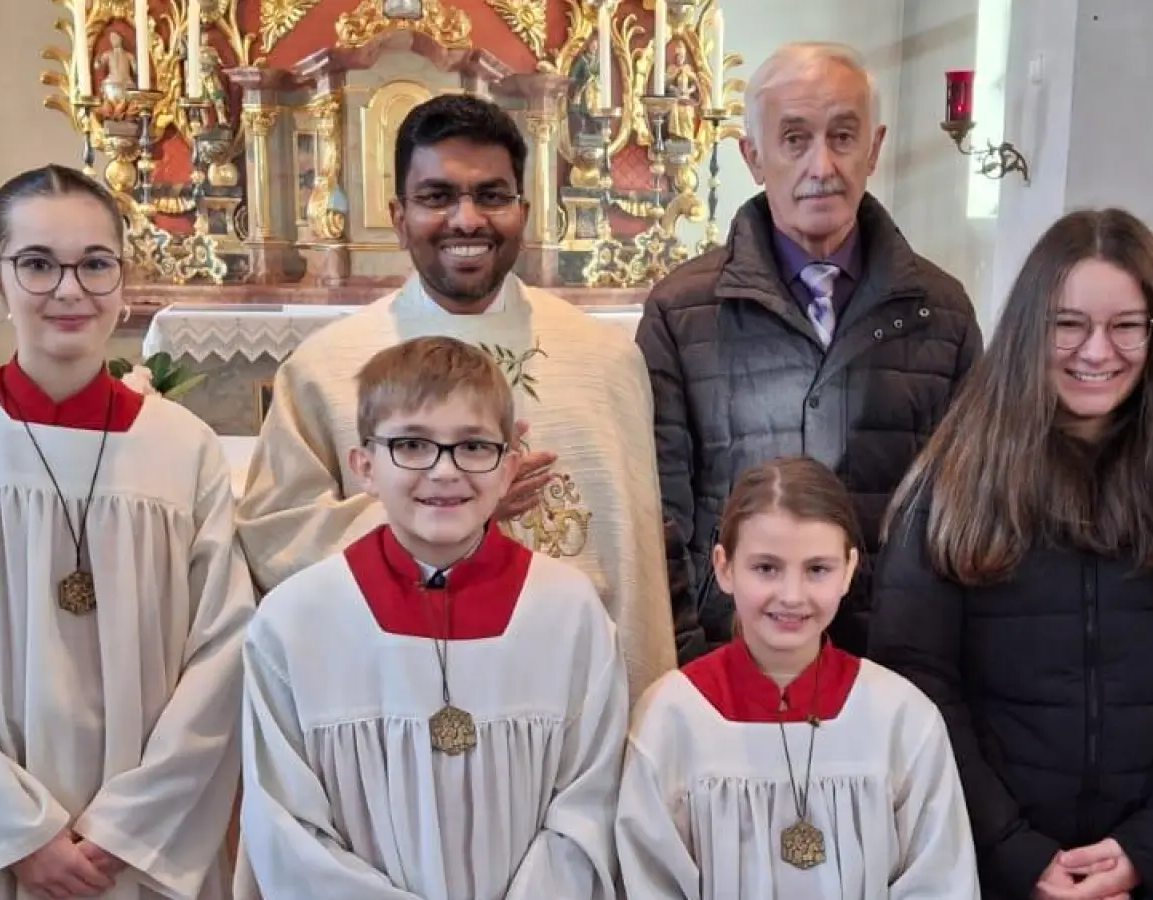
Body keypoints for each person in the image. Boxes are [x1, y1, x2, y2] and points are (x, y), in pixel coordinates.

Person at [0, 164, 256, 900]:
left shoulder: (184, 446)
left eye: (94, 264)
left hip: (138, 845)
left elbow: (224, 652)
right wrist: (18, 834)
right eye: (37, 264)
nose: (68, 290)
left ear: (122, 279)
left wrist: (125, 830)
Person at [869, 209, 1153, 900]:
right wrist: (1018, 852)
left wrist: (1149, 850)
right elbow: (916, 684)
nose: (1096, 352)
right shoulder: (948, 482)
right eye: (1068, 324)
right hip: (986, 864)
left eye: (1124, 325)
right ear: (1029, 329)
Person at [237, 92, 674, 701]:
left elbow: (637, 563)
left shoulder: (605, 362)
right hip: (394, 697)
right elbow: (277, 536)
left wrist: (640, 707)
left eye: (491, 195)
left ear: (524, 210)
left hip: (573, 692)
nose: (467, 219)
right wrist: (449, 511)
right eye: (437, 196)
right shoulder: (325, 370)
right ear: (398, 215)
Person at [238, 336, 628, 899]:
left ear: (509, 467)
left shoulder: (569, 614)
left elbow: (588, 805)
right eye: (413, 446)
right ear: (364, 466)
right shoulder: (296, 622)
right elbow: (284, 826)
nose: (445, 472)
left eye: (473, 447)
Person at [637, 42, 982, 664]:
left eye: (843, 136)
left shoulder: (942, 310)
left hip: (895, 666)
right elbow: (660, 519)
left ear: (873, 150)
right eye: (794, 139)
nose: (822, 164)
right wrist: (696, 664)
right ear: (753, 156)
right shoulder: (680, 312)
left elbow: (967, 512)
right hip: (731, 660)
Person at [615, 457, 979, 899]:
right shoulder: (671, 718)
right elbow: (649, 882)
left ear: (848, 570)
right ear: (724, 567)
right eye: (766, 568)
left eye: (817, 569)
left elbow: (940, 880)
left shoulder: (901, 717)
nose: (791, 596)